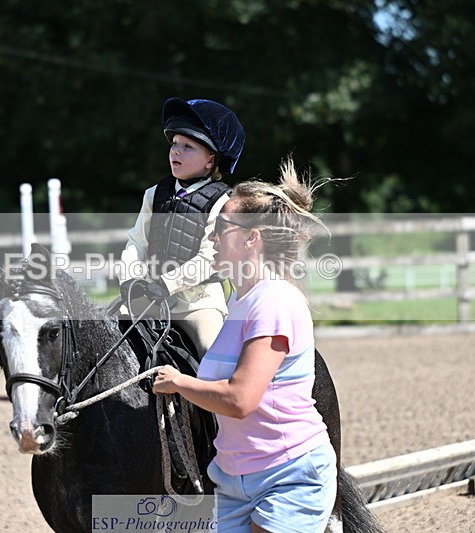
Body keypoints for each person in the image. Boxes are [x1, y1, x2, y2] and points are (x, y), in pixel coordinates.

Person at [152, 157, 336, 533]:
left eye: (221, 228)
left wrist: (178, 382)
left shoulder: (275, 301)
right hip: (234, 481)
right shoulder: (239, 300)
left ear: (253, 238)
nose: (212, 237)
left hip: (288, 478)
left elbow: (240, 400)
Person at [117, 97, 245, 357]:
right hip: (149, 296)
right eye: (175, 143)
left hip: (197, 303)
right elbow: (137, 242)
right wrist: (130, 278)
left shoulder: (222, 201)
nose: (176, 151)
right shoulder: (154, 194)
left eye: (188, 147)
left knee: (214, 355)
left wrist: (167, 283)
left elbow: (210, 257)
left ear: (210, 161)